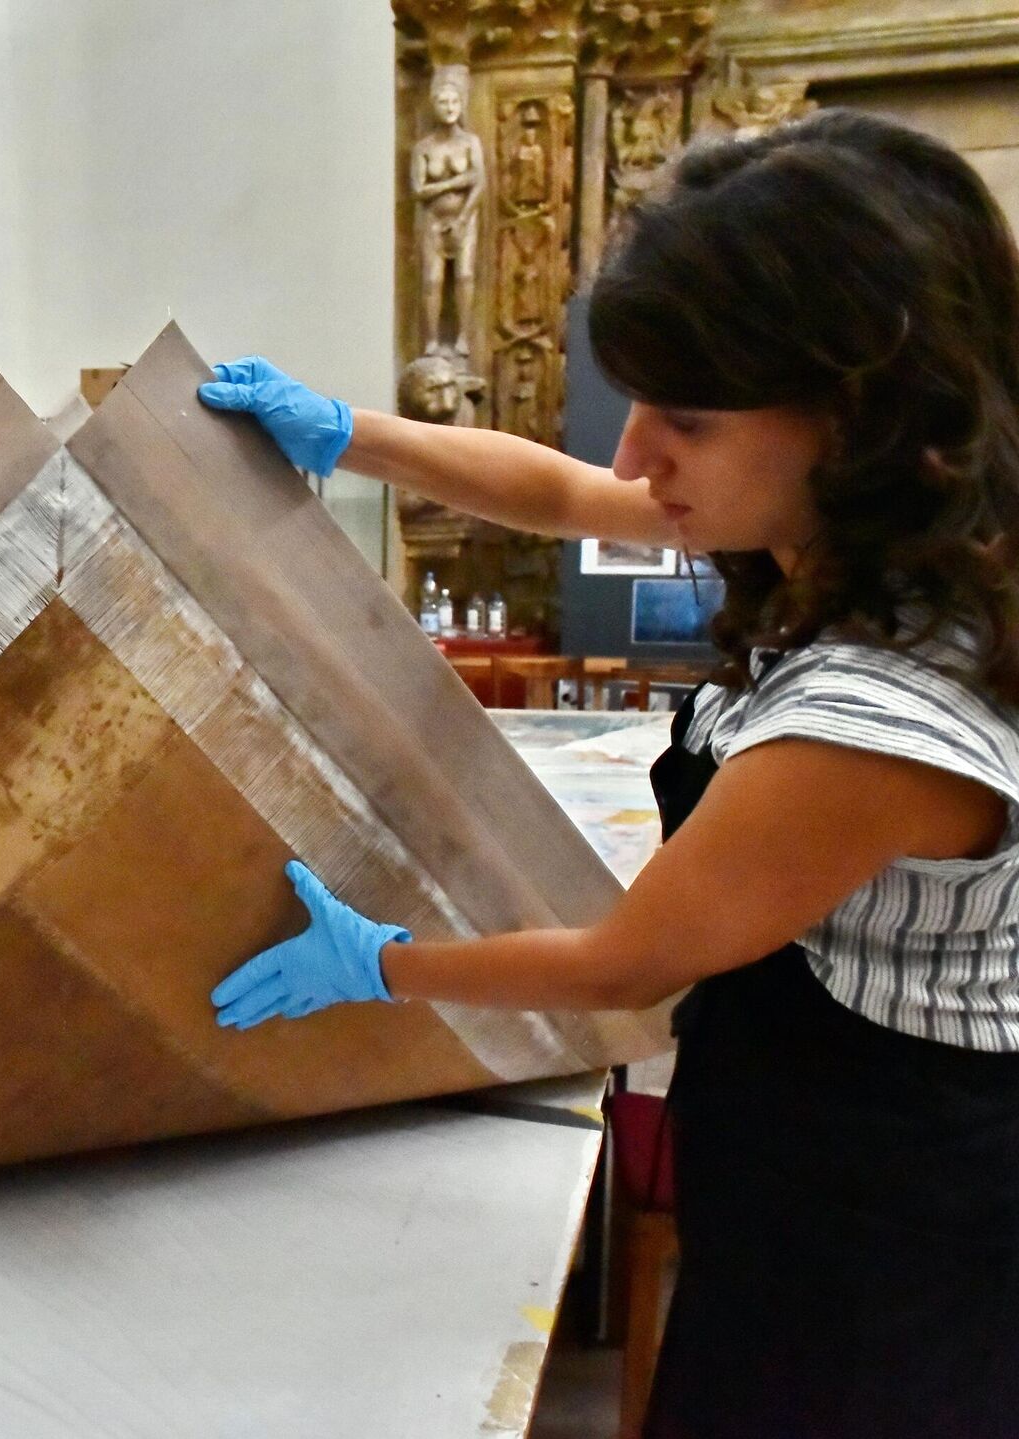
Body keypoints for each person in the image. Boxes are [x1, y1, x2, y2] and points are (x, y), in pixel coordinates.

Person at [199, 109, 1019, 1439]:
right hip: (817, 1146)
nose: (638, 454)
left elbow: (620, 967)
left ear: (853, 414)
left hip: (886, 1206)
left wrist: (381, 964)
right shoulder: (844, 532)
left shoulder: (875, 720)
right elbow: (568, 495)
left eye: (684, 418)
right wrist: (345, 432)